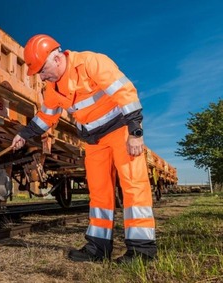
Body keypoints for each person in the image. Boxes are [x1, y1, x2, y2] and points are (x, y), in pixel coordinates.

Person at [11, 34, 157, 263]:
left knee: (133, 186)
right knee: (99, 193)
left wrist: (135, 131)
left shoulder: (91, 63)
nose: (41, 76)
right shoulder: (53, 89)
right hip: (94, 142)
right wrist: (23, 134)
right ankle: (98, 248)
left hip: (121, 133)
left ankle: (142, 251)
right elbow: (46, 117)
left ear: (57, 59)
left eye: (42, 69)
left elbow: (125, 92)